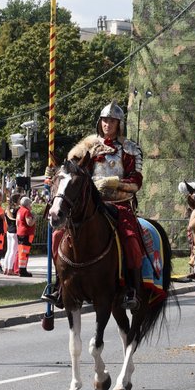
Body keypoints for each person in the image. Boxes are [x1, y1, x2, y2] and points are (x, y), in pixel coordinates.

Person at [45, 101, 145, 310]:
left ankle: (131, 289)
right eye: (105, 120)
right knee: (57, 237)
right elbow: (70, 173)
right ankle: (59, 285)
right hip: (89, 205)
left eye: (113, 121)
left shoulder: (129, 149)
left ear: (119, 124)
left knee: (131, 240)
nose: (108, 124)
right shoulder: (86, 148)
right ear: (100, 123)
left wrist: (115, 182)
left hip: (119, 203)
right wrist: (53, 173)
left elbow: (136, 182)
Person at [16, 196, 35, 277]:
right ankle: (22, 270)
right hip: (26, 234)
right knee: (25, 253)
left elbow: (17, 223)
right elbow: (29, 223)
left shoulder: (19, 210)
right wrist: (34, 218)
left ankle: (21, 268)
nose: (31, 205)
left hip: (20, 233)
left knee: (21, 252)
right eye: (30, 204)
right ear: (27, 204)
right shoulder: (27, 211)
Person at [2, 193, 20, 275]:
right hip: (15, 232)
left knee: (9, 251)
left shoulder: (7, 209)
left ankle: (6, 268)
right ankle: (10, 269)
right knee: (13, 251)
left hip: (9, 231)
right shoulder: (17, 209)